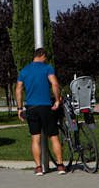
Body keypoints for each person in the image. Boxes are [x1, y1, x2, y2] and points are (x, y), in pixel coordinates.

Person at [16, 47, 65, 175]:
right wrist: (57, 100)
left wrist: (20, 108)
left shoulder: (24, 71)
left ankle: (38, 168)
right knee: (54, 136)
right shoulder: (47, 68)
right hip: (45, 106)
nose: (45, 60)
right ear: (42, 55)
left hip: (31, 107)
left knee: (35, 138)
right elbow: (54, 84)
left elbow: (18, 89)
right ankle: (60, 165)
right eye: (45, 57)